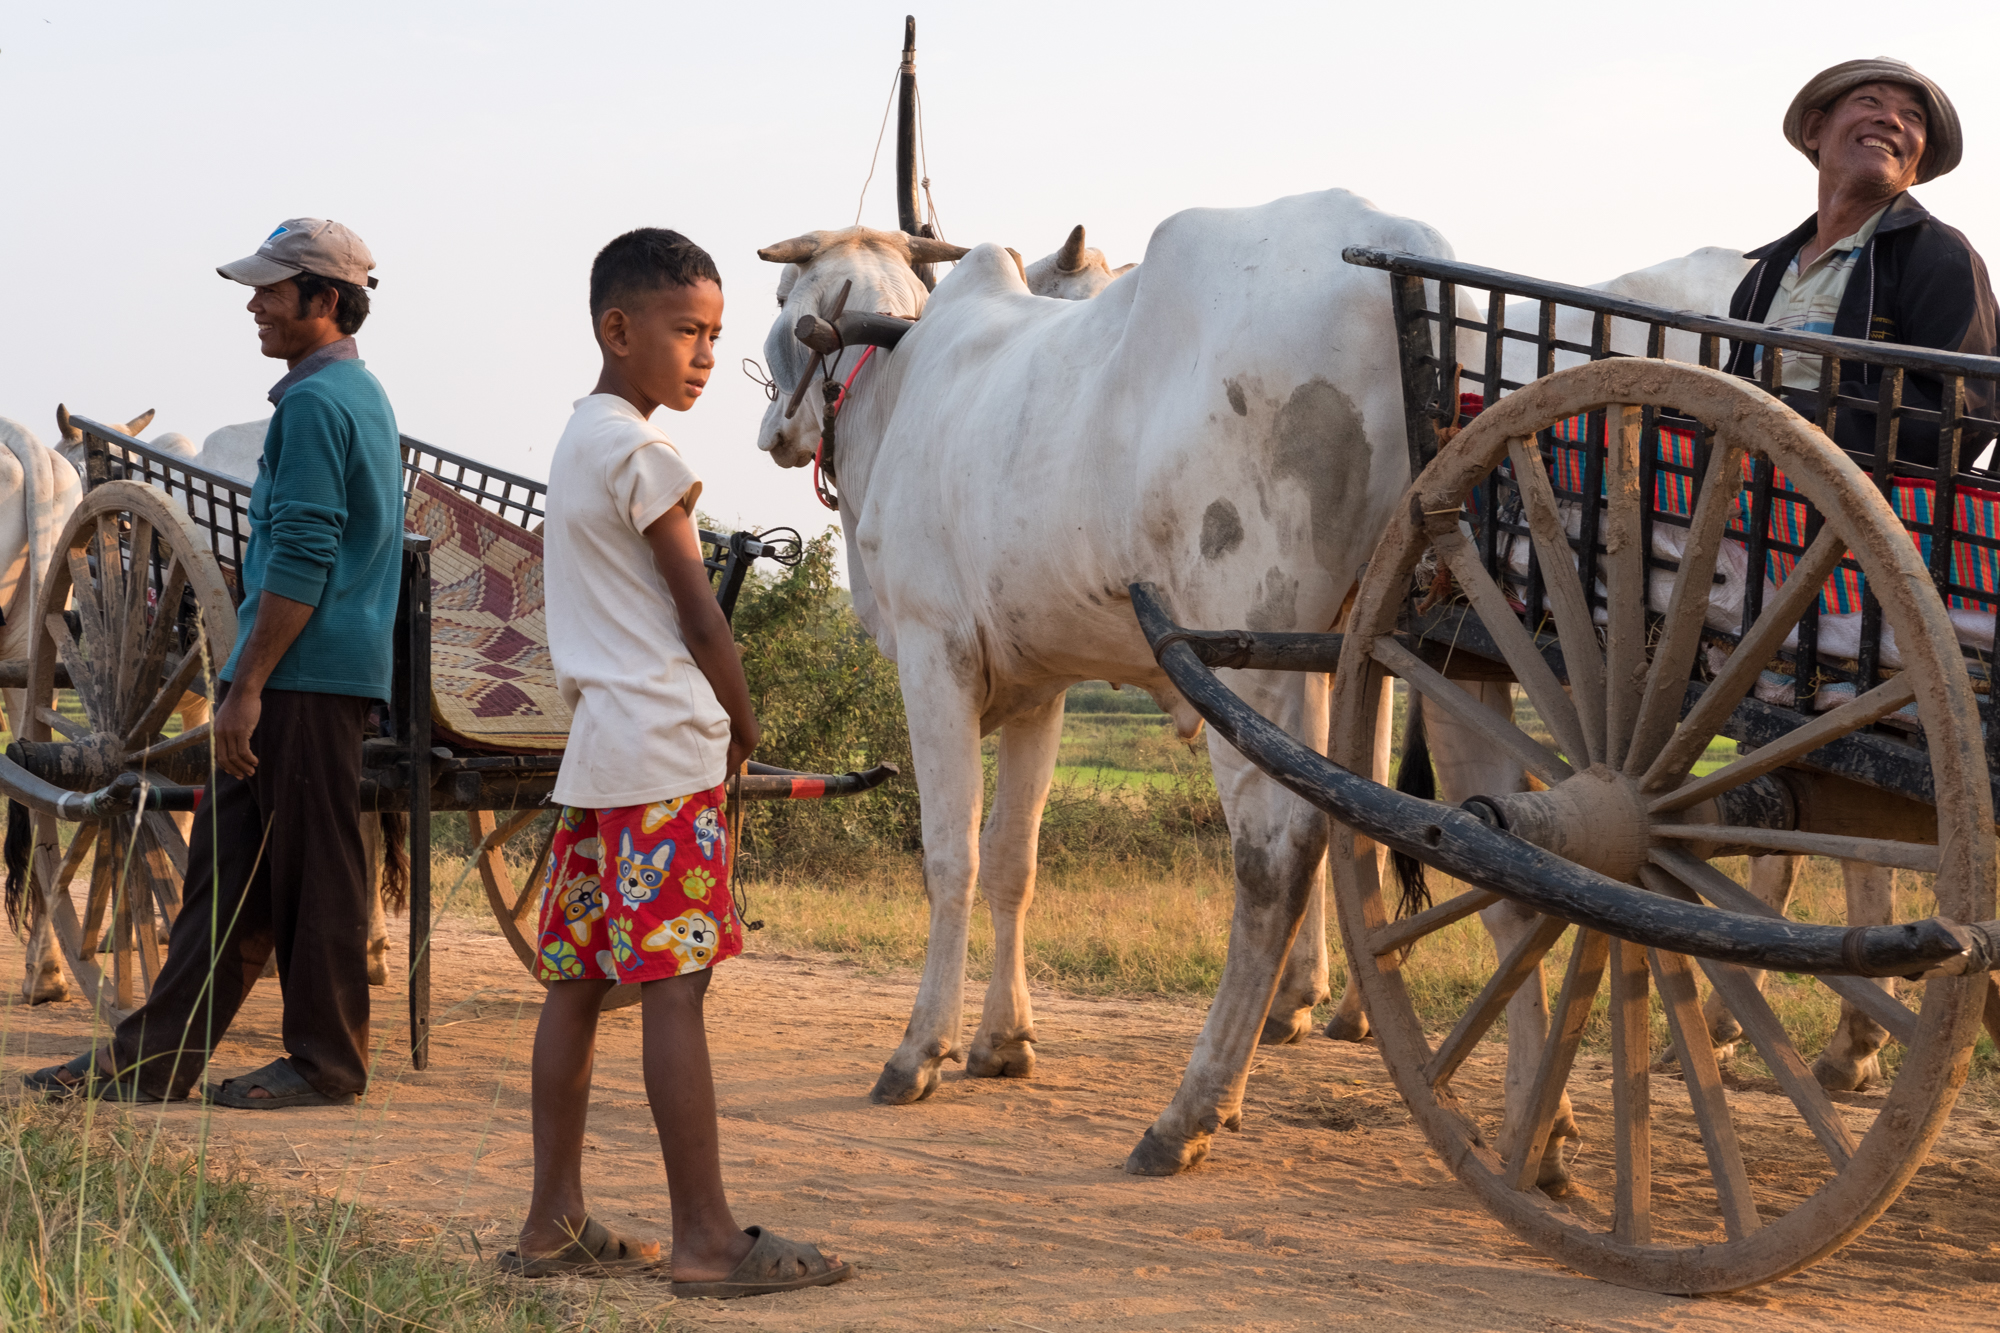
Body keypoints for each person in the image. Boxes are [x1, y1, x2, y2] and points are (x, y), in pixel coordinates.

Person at [499, 228, 850, 1298]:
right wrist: (740, 720)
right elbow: (699, 613)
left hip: (602, 758)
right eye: (685, 331)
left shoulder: (580, 437)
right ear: (618, 329)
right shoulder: (648, 456)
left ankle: (551, 1218)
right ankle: (703, 1235)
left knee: (576, 984)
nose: (703, 355)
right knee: (673, 992)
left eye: (714, 335)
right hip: (663, 752)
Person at [26, 218, 404, 1107]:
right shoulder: (348, 395)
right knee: (229, 876)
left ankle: (327, 1064)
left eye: (272, 290)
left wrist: (244, 688)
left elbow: (307, 556)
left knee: (316, 870)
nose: (254, 304)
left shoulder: (316, 406)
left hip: (305, 677)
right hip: (299, 669)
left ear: (324, 299)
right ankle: (152, 1057)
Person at [1725, 58, 1998, 466]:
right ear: (1816, 129)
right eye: (1869, 101)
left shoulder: (1939, 256)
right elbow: (1732, 392)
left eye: (1913, 115)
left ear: (1921, 160)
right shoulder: (1767, 271)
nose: (1890, 119)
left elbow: (1966, 409)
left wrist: (1790, 424)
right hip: (1752, 499)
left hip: (1864, 512)